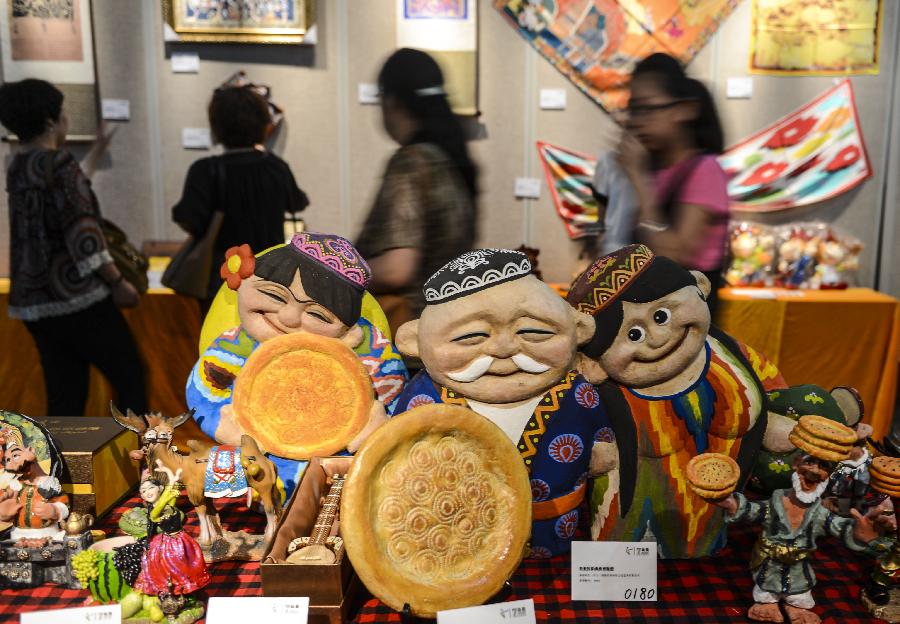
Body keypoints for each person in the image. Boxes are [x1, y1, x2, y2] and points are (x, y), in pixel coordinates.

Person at [391, 249, 613, 557]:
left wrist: (601, 447)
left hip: (552, 527)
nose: (504, 348)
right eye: (470, 337)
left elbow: (597, 430)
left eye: (533, 332)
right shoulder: (426, 397)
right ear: (414, 342)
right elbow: (399, 450)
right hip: (458, 533)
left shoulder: (574, 390)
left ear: (579, 330)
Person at [0, 78, 147, 416]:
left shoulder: (17, 167)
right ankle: (138, 461)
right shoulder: (60, 165)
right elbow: (82, 231)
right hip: (76, 296)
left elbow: (60, 198)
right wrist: (117, 282)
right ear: (51, 121)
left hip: (34, 301)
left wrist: (95, 154)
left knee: (65, 395)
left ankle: (60, 468)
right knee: (130, 379)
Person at [355, 48, 479, 322]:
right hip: (451, 321)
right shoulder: (453, 158)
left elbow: (397, 268)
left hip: (411, 330)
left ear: (393, 102)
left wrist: (340, 271)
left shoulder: (411, 162)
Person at [171, 84, 309, 315]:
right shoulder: (277, 167)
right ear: (264, 125)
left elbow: (190, 220)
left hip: (223, 278)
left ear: (216, 126)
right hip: (271, 277)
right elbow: (297, 203)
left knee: (220, 343)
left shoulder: (206, 170)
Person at [717, 453, 891, 624]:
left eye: (823, 466)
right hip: (769, 566)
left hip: (799, 570)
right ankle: (767, 603)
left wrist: (859, 533)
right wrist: (732, 504)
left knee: (799, 594)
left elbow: (840, 526)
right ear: (796, 463)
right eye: (810, 462)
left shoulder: (820, 514)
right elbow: (753, 510)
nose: (815, 471)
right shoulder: (775, 502)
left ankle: (796, 606)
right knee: (766, 590)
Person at [618, 53, 729, 315]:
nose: (637, 121)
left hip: (688, 331)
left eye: (647, 109)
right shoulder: (651, 169)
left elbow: (675, 255)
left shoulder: (705, 170)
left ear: (684, 110)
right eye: (633, 110)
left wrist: (640, 182)